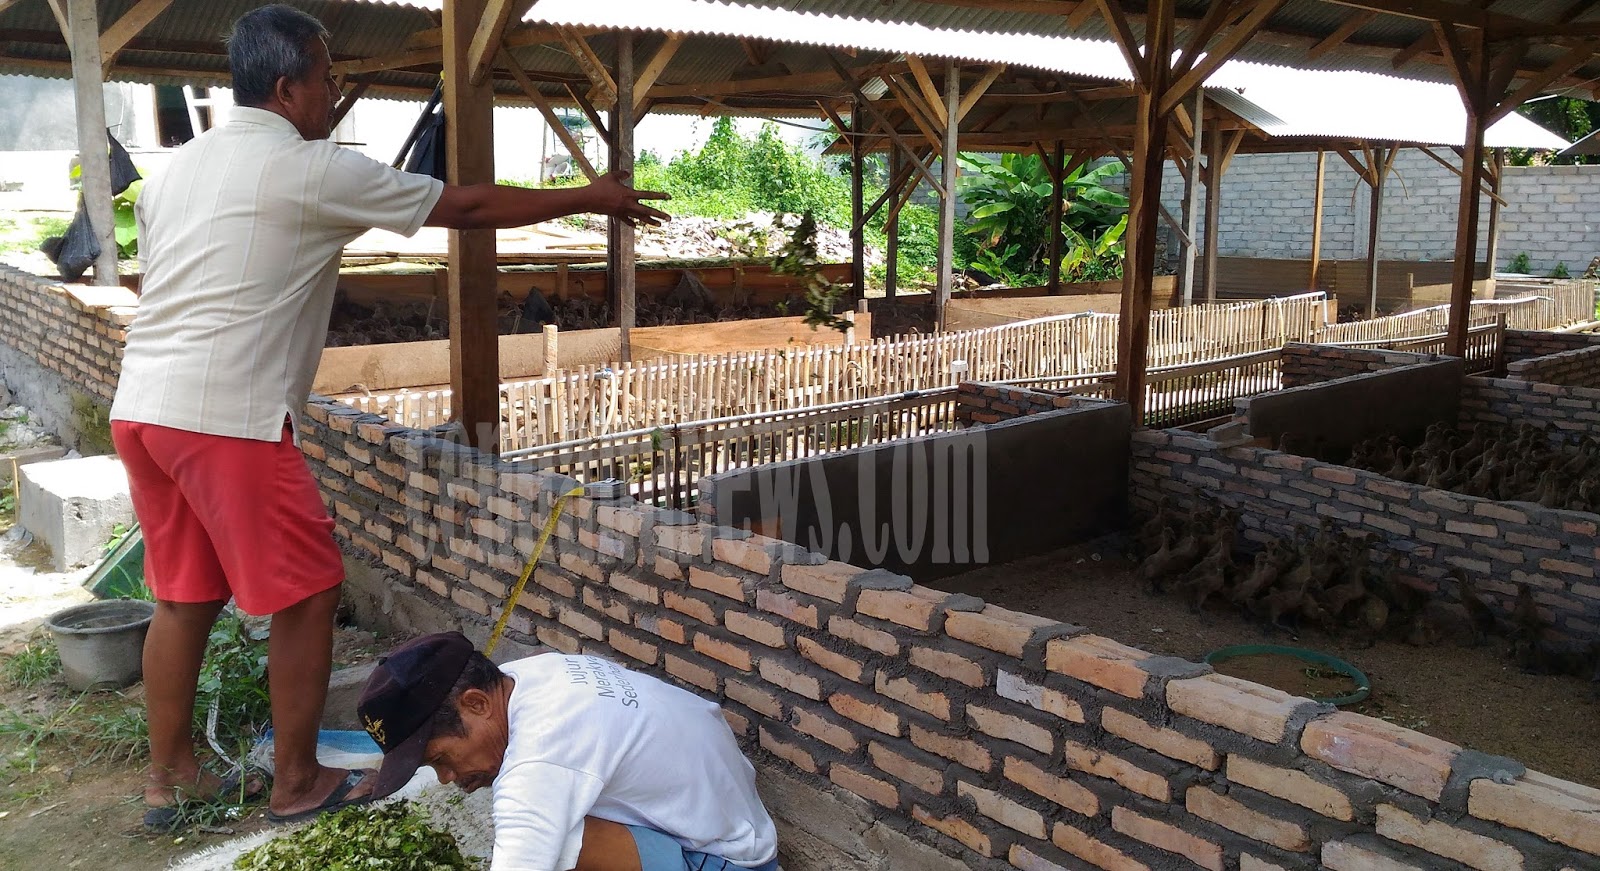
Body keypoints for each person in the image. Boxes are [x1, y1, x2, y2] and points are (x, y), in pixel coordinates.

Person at [109, 5, 669, 831]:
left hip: (145, 406)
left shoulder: (175, 171)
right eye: (328, 77)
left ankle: (171, 779)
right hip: (227, 413)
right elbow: (466, 208)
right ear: (288, 84)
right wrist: (590, 194)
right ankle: (296, 781)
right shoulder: (312, 168)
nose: (334, 93)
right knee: (308, 591)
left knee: (185, 596)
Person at [357, 633, 780, 871]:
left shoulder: (539, 758)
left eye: (440, 758)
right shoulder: (530, 675)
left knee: (556, 846)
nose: (447, 777)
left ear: (476, 704)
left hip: (731, 861)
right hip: (733, 825)